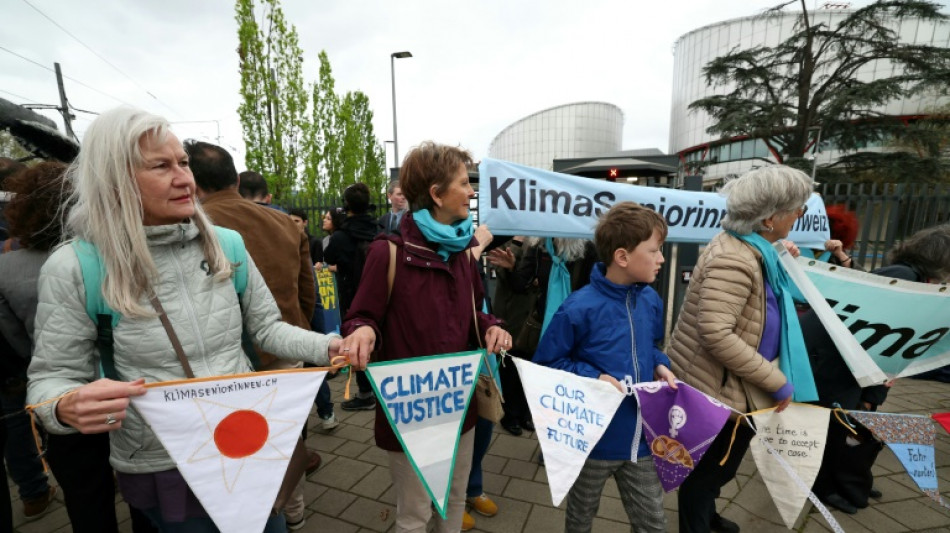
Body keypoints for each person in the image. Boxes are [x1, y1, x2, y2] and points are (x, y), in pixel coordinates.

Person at [26, 107, 342, 533]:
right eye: (161, 166)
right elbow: (48, 382)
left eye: (184, 163)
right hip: (164, 463)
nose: (184, 178)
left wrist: (329, 345)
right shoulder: (76, 266)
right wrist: (64, 407)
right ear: (114, 180)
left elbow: (267, 329)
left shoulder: (226, 243)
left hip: (247, 440)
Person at [340, 141, 512, 533]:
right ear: (436, 194)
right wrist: (362, 328)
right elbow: (360, 315)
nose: (471, 192)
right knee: (415, 514)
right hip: (411, 410)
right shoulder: (388, 253)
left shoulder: (464, 250)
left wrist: (492, 327)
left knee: (453, 499)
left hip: (461, 402)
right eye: (463, 183)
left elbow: (476, 313)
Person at [667, 165, 818, 533]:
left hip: (735, 383)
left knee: (721, 467)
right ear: (768, 218)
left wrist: (780, 256)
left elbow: (764, 302)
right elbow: (716, 333)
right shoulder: (734, 258)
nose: (800, 214)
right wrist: (776, 380)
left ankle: (708, 518)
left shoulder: (754, 248)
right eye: (796, 208)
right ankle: (697, 527)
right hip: (719, 389)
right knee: (708, 471)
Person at [184, 140, 321, 529]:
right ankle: (293, 513)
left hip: (224, 364)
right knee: (285, 440)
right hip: (285, 348)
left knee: (233, 450)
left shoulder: (193, 226)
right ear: (236, 177)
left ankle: (243, 513)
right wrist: (297, 332)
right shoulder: (284, 222)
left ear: (192, 183)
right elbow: (306, 290)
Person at [534, 201, 675, 533]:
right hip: (591, 442)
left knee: (654, 523)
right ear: (623, 257)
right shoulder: (578, 308)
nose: (662, 259)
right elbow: (547, 363)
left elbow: (650, 349)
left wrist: (661, 366)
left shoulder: (651, 300)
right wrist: (594, 377)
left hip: (641, 440)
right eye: (654, 251)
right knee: (580, 520)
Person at [804, 223, 950, 513]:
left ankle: (846, 481)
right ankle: (822, 489)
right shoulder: (904, 277)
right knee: (835, 429)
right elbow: (878, 333)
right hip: (835, 364)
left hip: (851, 365)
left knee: (850, 425)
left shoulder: (909, 276)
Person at [0, 163, 58, 524]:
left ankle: (35, 494)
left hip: (40, 374)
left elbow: (10, 331)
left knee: (20, 426)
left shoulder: (5, 266)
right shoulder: (103, 253)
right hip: (112, 371)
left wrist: (32, 360)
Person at [326, 183, 380, 412]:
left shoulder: (340, 236)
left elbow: (328, 256)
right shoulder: (379, 230)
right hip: (378, 294)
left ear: (346, 205)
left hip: (352, 298)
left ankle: (366, 394)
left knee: (357, 344)